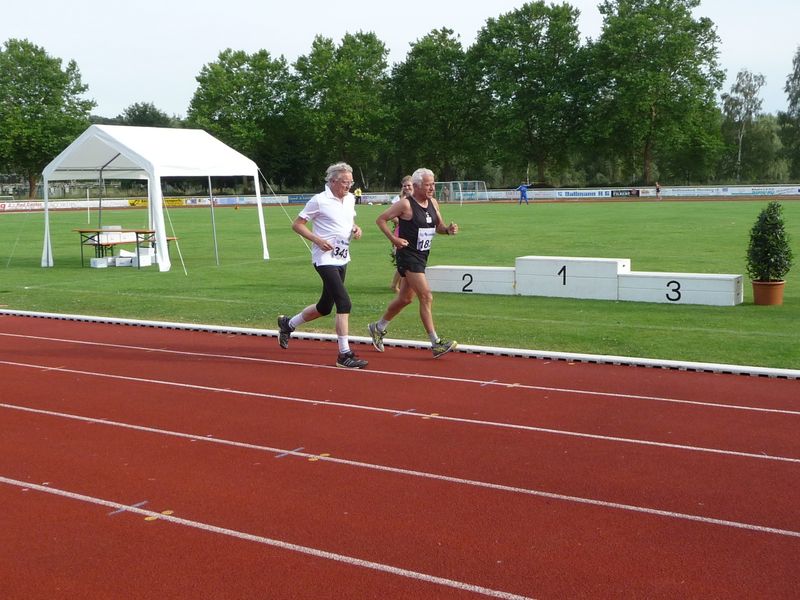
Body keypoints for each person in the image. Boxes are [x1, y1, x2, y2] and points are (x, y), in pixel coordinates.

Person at [277, 162, 368, 369]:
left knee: (325, 307)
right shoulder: (319, 200)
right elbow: (297, 225)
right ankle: (344, 354)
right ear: (333, 181)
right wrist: (317, 240)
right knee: (344, 303)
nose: (349, 185)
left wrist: (356, 228)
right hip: (324, 259)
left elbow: (347, 222)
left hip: (342, 257)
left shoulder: (350, 199)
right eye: (345, 182)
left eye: (351, 182)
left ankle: (288, 324)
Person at [368, 168, 458, 359]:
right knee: (426, 296)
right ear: (416, 186)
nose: (432, 188)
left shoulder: (433, 202)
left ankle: (378, 327)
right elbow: (381, 219)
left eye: (433, 184)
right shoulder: (405, 204)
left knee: (405, 299)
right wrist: (394, 239)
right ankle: (435, 343)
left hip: (422, 256)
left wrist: (447, 230)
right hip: (407, 256)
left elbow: (439, 226)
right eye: (428, 185)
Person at [389, 176, 413, 292]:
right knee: (404, 260)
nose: (407, 187)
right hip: (400, 233)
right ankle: (395, 285)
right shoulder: (398, 200)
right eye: (405, 186)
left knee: (408, 260)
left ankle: (401, 285)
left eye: (409, 185)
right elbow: (391, 217)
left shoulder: (416, 198)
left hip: (413, 233)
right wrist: (404, 221)